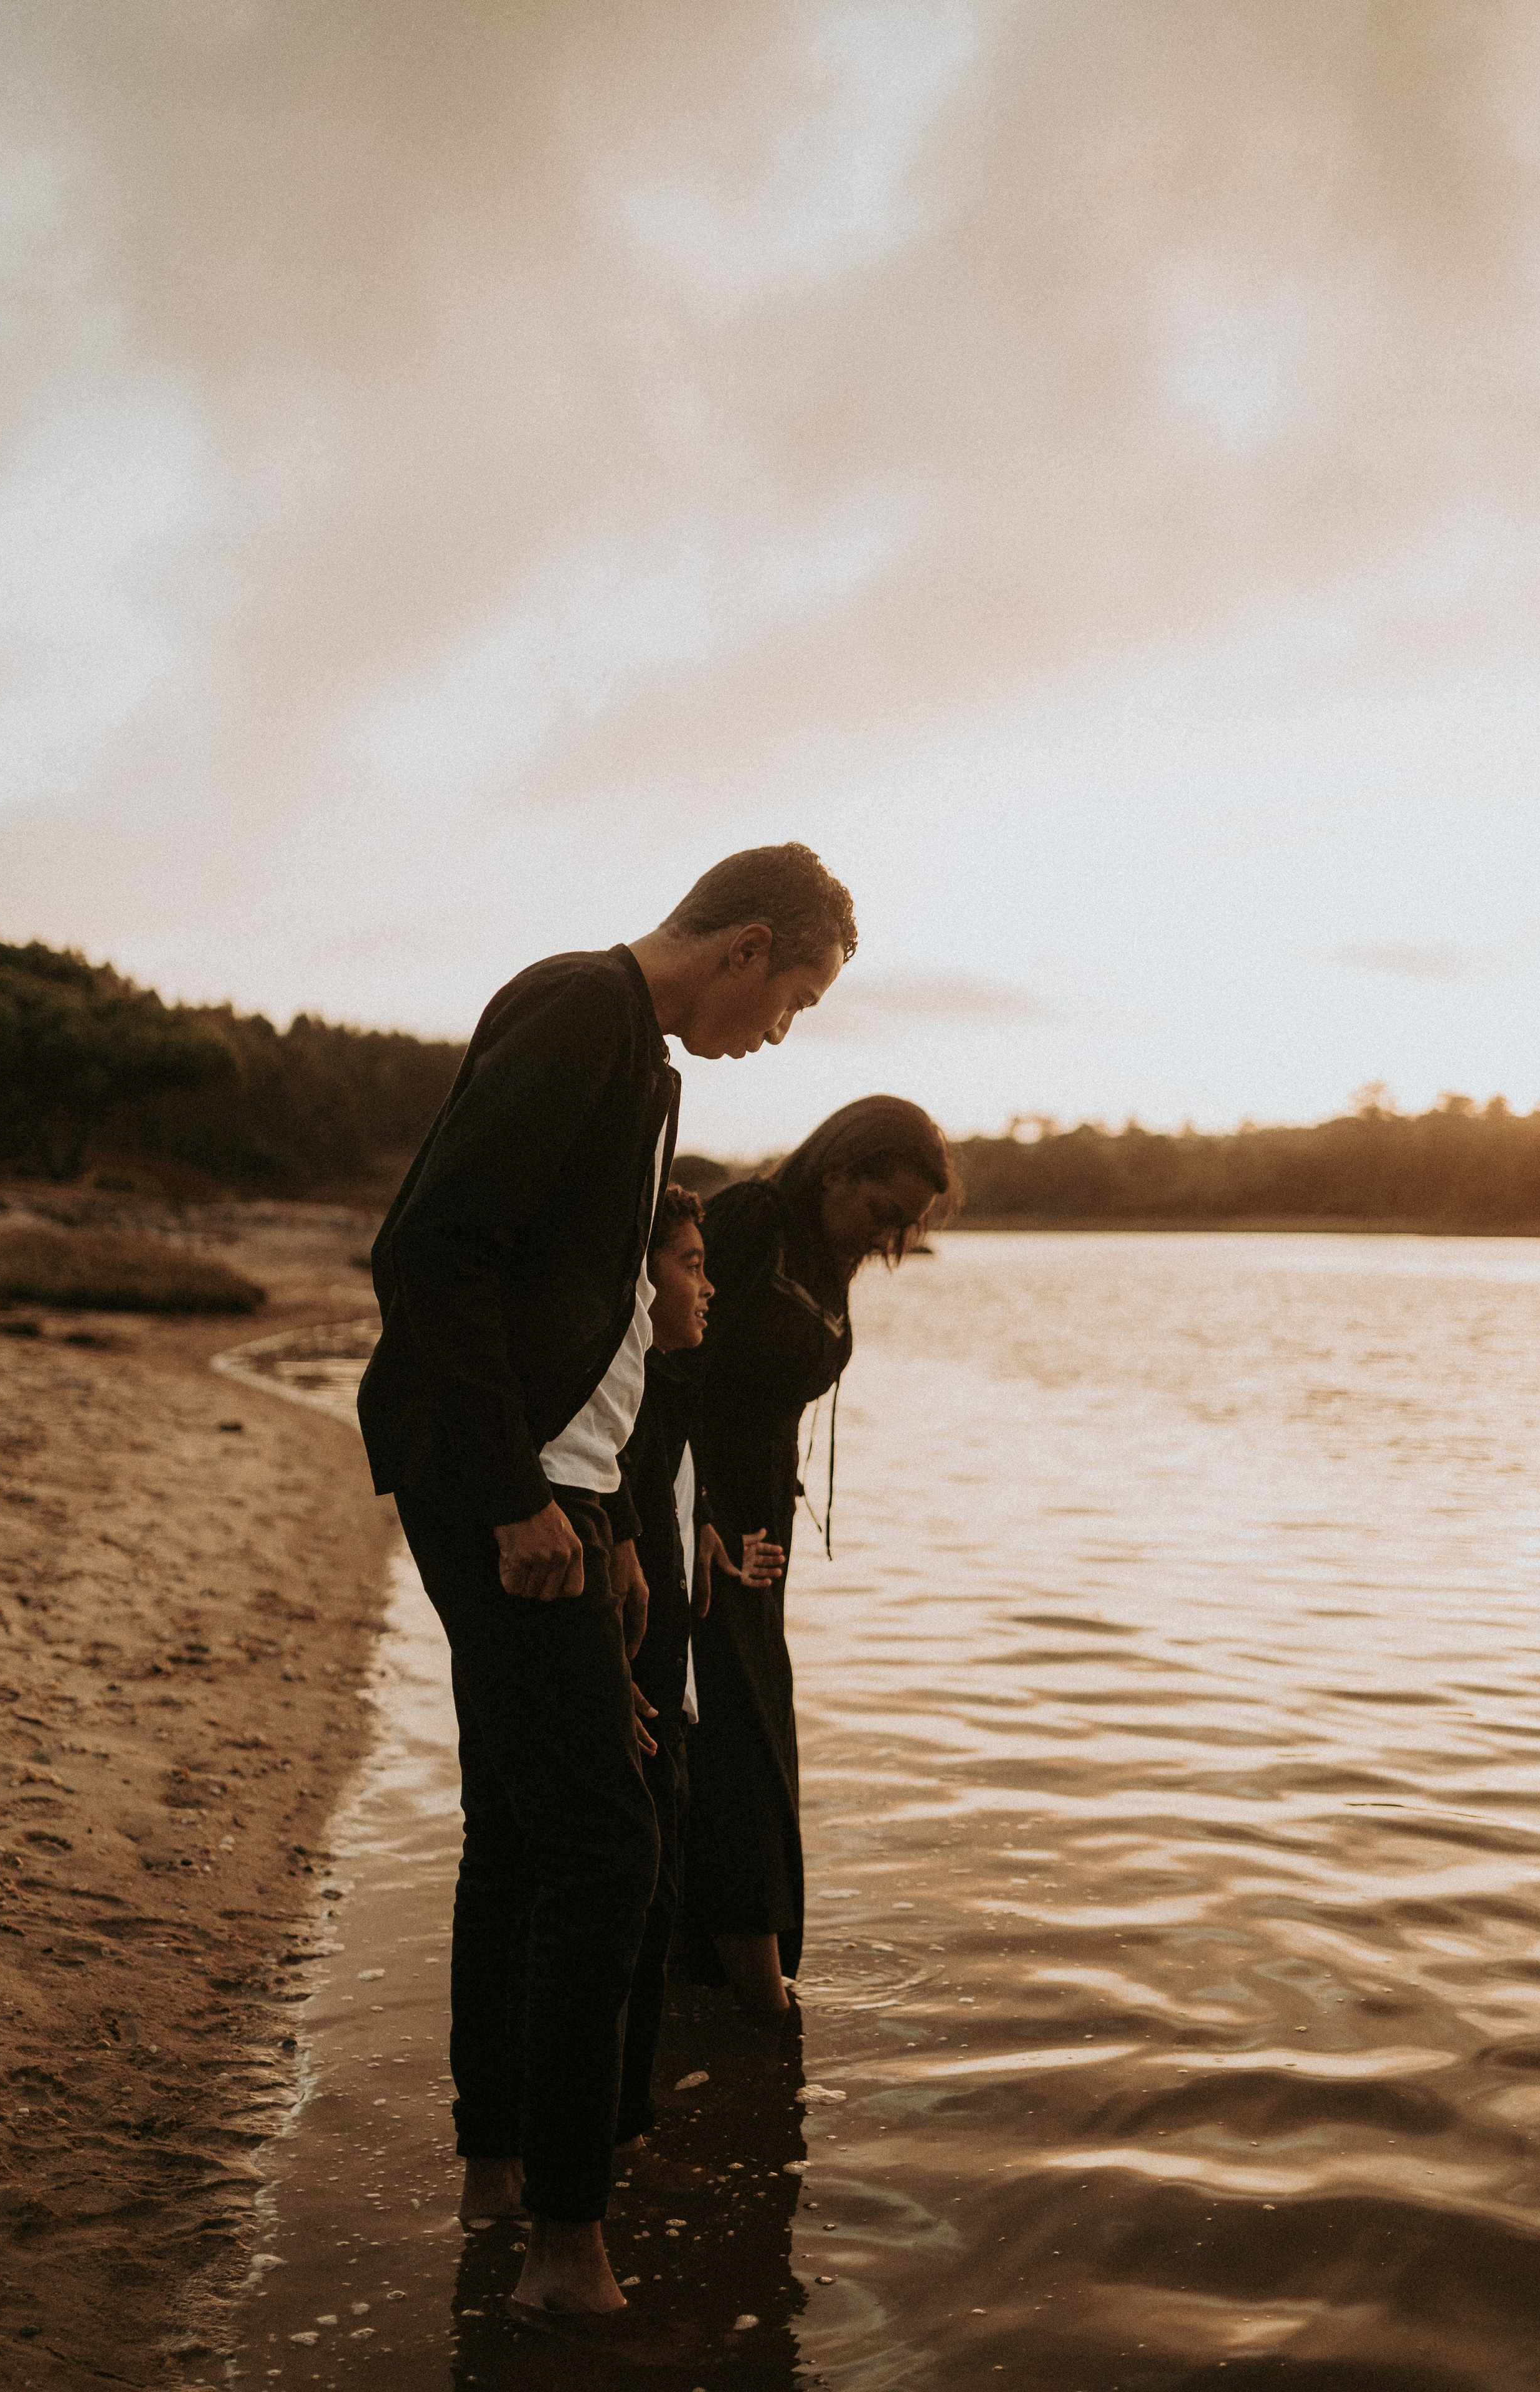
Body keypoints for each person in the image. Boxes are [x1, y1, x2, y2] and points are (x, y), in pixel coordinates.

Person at [355, 845, 856, 2330]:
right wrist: (517, 1497)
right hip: (500, 1482)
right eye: (798, 999)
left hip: (562, 1485)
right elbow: (429, 1251)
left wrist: (620, 1513)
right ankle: (567, 2249)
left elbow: (599, 1311)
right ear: (748, 946)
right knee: (606, 1850)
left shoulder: (642, 1064)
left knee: (523, 1829)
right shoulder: (582, 1010)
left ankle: (504, 2179)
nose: (783, 1033)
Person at [679, 1096, 956, 2016]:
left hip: (764, 1528)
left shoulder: (829, 1253)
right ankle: (757, 1997)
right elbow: (668, 1361)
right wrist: (699, 1515)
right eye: (885, 1213)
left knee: (753, 1728)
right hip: (706, 1519)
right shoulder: (755, 1219)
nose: (892, 1237)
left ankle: (708, 1982)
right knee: (732, 1738)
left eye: (909, 1226)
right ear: (838, 1169)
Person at [610, 1185, 783, 2175]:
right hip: (641, 1700)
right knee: (631, 1905)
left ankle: (629, 2126)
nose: (710, 1288)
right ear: (636, 1283)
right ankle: (615, 2140)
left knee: (653, 1901)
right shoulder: (621, 1414)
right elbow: (619, 1521)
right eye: (690, 1265)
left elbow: (665, 1492)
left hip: (670, 1695)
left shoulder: (668, 1394)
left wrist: (703, 1529)